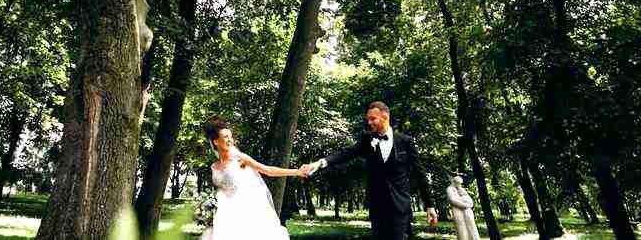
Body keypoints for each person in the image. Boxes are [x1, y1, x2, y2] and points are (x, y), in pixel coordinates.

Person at [301, 102, 427, 240]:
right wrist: (320, 163)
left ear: (385, 116)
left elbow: (419, 172)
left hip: (400, 206)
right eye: (368, 119)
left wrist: (430, 205)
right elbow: (347, 153)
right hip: (377, 206)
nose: (369, 122)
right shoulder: (367, 140)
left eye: (373, 119)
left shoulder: (405, 141)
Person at [201, 116, 308, 240]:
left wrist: (296, 172)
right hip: (225, 213)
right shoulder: (214, 166)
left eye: (231, 137)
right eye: (226, 137)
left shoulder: (240, 159)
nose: (230, 140)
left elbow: (267, 170)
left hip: (247, 210)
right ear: (216, 141)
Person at [448, 175, 481, 240]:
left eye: (460, 184)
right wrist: (465, 205)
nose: (459, 185)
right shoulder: (450, 189)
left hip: (467, 211)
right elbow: (452, 200)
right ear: (454, 182)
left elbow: (470, 201)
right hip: (457, 211)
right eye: (458, 183)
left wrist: (468, 204)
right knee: (461, 228)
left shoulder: (462, 189)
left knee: (472, 227)